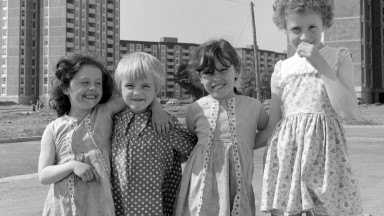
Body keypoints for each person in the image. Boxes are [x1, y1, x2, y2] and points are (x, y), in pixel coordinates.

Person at [257, 0, 363, 215]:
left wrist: (320, 64)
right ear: (285, 30)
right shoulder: (282, 68)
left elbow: (348, 112)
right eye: (296, 29)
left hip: (326, 158)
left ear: (324, 23)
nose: (304, 36)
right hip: (288, 157)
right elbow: (273, 124)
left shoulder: (338, 57)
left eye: (312, 27)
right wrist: (237, 142)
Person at [38, 54, 170, 216]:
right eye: (85, 82)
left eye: (98, 83)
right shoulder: (53, 129)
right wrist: (72, 166)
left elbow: (136, 97)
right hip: (63, 207)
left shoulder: (105, 112)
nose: (93, 87)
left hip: (99, 205)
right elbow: (44, 175)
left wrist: (157, 107)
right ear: (66, 88)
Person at [174, 39, 269, 215]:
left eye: (223, 69)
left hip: (237, 185)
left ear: (236, 71)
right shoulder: (195, 109)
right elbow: (191, 143)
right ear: (200, 78)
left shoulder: (254, 106)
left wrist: (246, 145)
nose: (216, 77)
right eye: (208, 73)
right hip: (200, 186)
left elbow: (269, 130)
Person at [110, 52, 197, 216]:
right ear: (119, 87)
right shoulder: (113, 120)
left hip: (156, 206)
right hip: (119, 206)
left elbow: (194, 151)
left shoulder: (164, 123)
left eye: (145, 86)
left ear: (157, 88)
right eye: (130, 86)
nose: (137, 92)